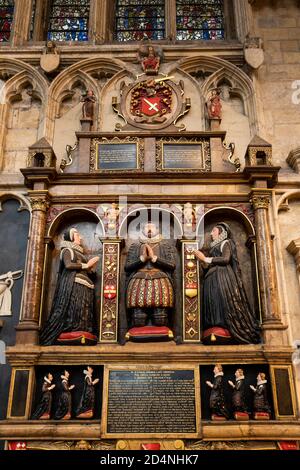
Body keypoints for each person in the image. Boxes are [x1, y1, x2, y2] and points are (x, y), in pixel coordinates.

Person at [194, 222, 260, 344]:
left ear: (221, 232)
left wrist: (205, 259)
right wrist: (202, 261)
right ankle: (213, 326)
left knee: (221, 300)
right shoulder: (213, 247)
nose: (211, 233)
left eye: (214, 231)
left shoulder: (226, 242)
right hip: (212, 277)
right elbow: (209, 264)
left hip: (222, 276)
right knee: (212, 301)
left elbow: (225, 259)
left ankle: (225, 326)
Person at [40, 228, 99, 345]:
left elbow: (85, 269)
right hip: (73, 284)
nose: (80, 237)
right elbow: (68, 265)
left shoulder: (79, 253)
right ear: (71, 237)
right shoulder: (67, 250)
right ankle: (72, 328)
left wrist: (91, 269)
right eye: (77, 234)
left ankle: (84, 328)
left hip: (85, 285)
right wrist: (86, 265)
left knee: (84, 308)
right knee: (75, 307)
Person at [125, 222, 175, 329]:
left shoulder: (164, 246)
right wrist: (142, 259)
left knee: (160, 318)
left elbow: (172, 265)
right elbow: (127, 267)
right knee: (138, 318)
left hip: (160, 280)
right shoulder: (135, 246)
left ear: (157, 230)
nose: (149, 229)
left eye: (152, 227)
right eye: (146, 227)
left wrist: (154, 258)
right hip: (138, 280)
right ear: (142, 230)